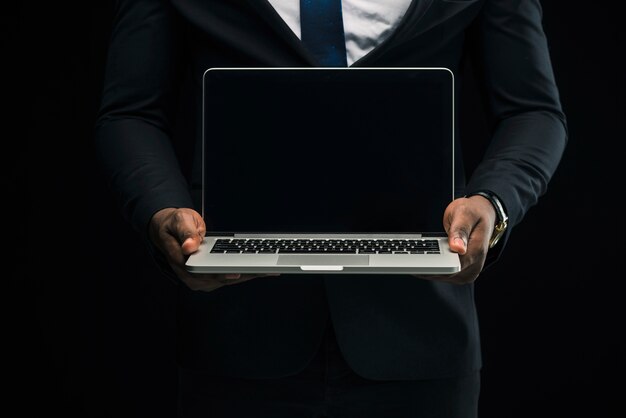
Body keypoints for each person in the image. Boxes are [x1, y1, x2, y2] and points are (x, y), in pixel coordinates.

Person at [95, 0, 567, 417]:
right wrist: (161, 210)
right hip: (236, 330)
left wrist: (493, 200)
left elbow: (533, 110)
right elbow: (131, 112)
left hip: (423, 334)